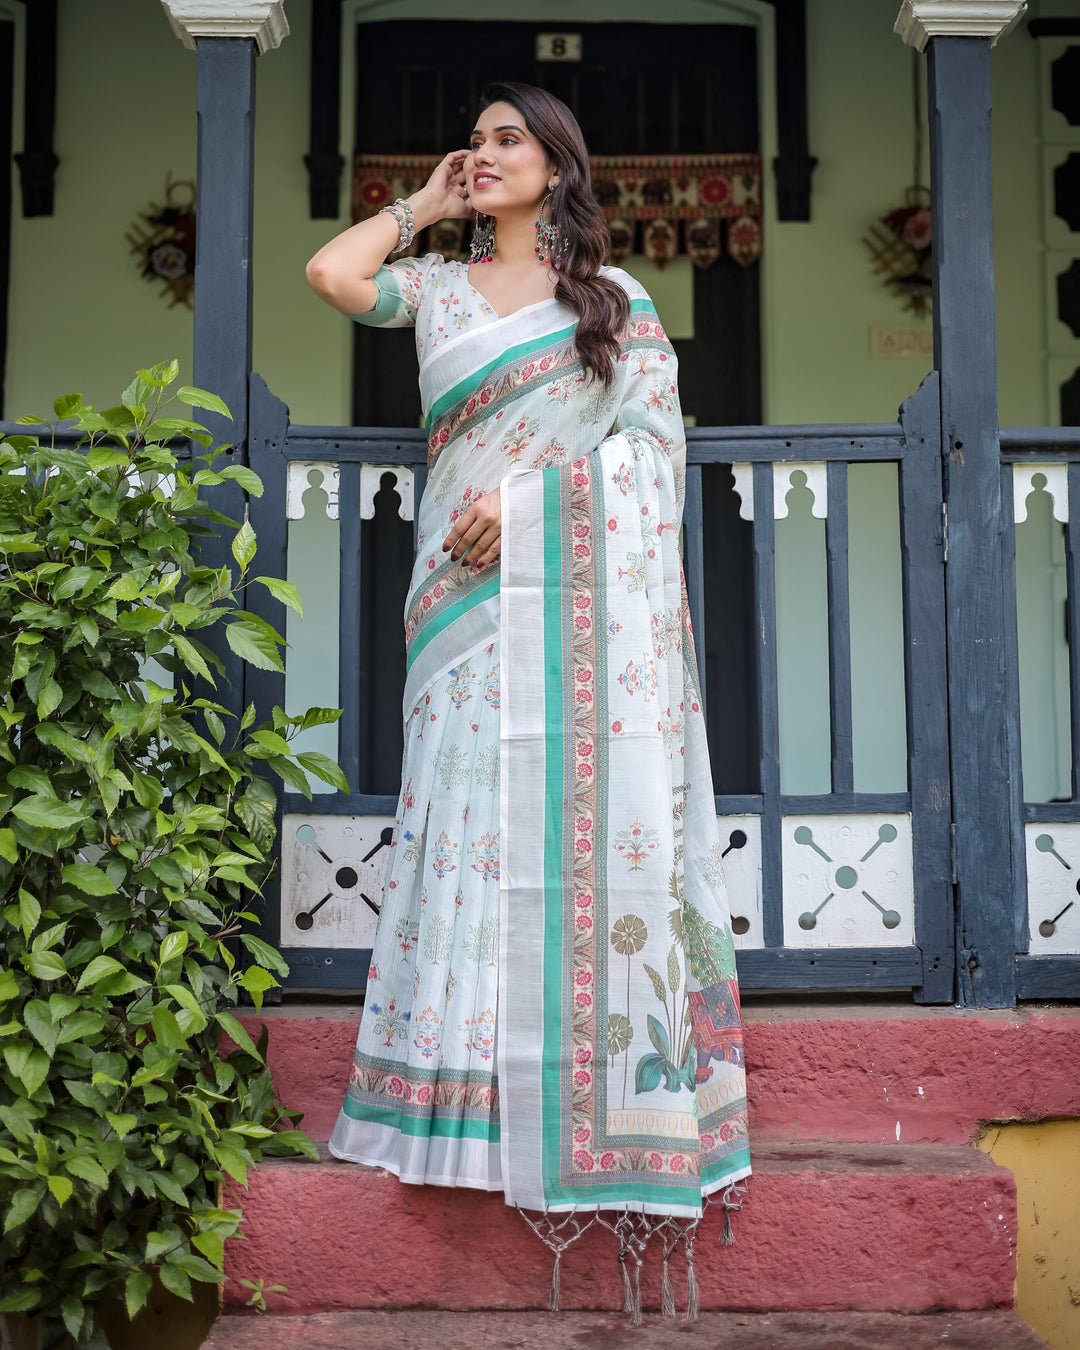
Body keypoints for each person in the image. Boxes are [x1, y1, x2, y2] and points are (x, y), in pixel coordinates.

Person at [305, 81, 750, 1321]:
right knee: (464, 832)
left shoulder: (615, 304)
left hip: (566, 595)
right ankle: (452, 1093)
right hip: (456, 607)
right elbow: (332, 275)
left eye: (509, 140)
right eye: (477, 140)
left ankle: (573, 1085)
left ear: (559, 164)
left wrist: (536, 502)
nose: (485, 153)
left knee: (566, 836)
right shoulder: (438, 289)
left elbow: (654, 454)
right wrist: (422, 202)